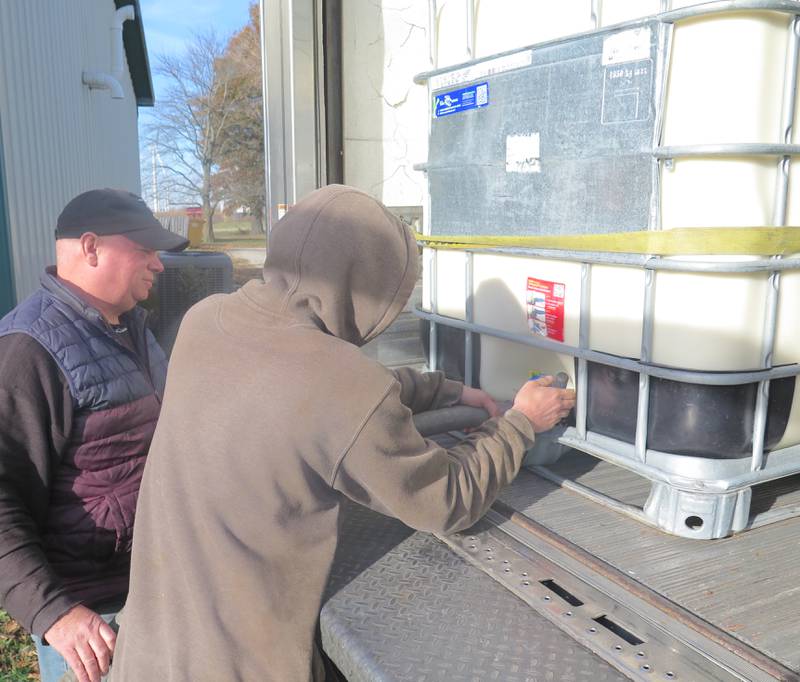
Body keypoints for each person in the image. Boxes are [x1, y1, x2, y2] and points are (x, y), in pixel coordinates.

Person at [111, 185, 576, 681]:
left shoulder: (206, 320)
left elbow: (302, 395)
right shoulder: (341, 385)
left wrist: (446, 390)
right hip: (242, 665)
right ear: (365, 286)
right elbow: (446, 501)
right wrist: (520, 423)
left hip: (149, 647)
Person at [0, 189, 189, 682]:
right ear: (90, 248)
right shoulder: (28, 350)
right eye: (145, 250)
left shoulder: (131, 326)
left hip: (155, 586)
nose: (159, 264)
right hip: (94, 621)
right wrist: (55, 613)